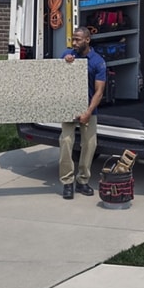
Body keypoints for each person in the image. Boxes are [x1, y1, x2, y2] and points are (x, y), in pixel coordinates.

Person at [59, 26, 106, 200]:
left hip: (89, 108)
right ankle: (67, 182)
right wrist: (66, 62)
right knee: (65, 141)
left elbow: (99, 91)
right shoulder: (67, 55)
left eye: (78, 39)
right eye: (73, 39)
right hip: (69, 107)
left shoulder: (97, 61)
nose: (74, 42)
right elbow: (57, 76)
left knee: (90, 144)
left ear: (87, 40)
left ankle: (83, 180)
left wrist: (88, 112)